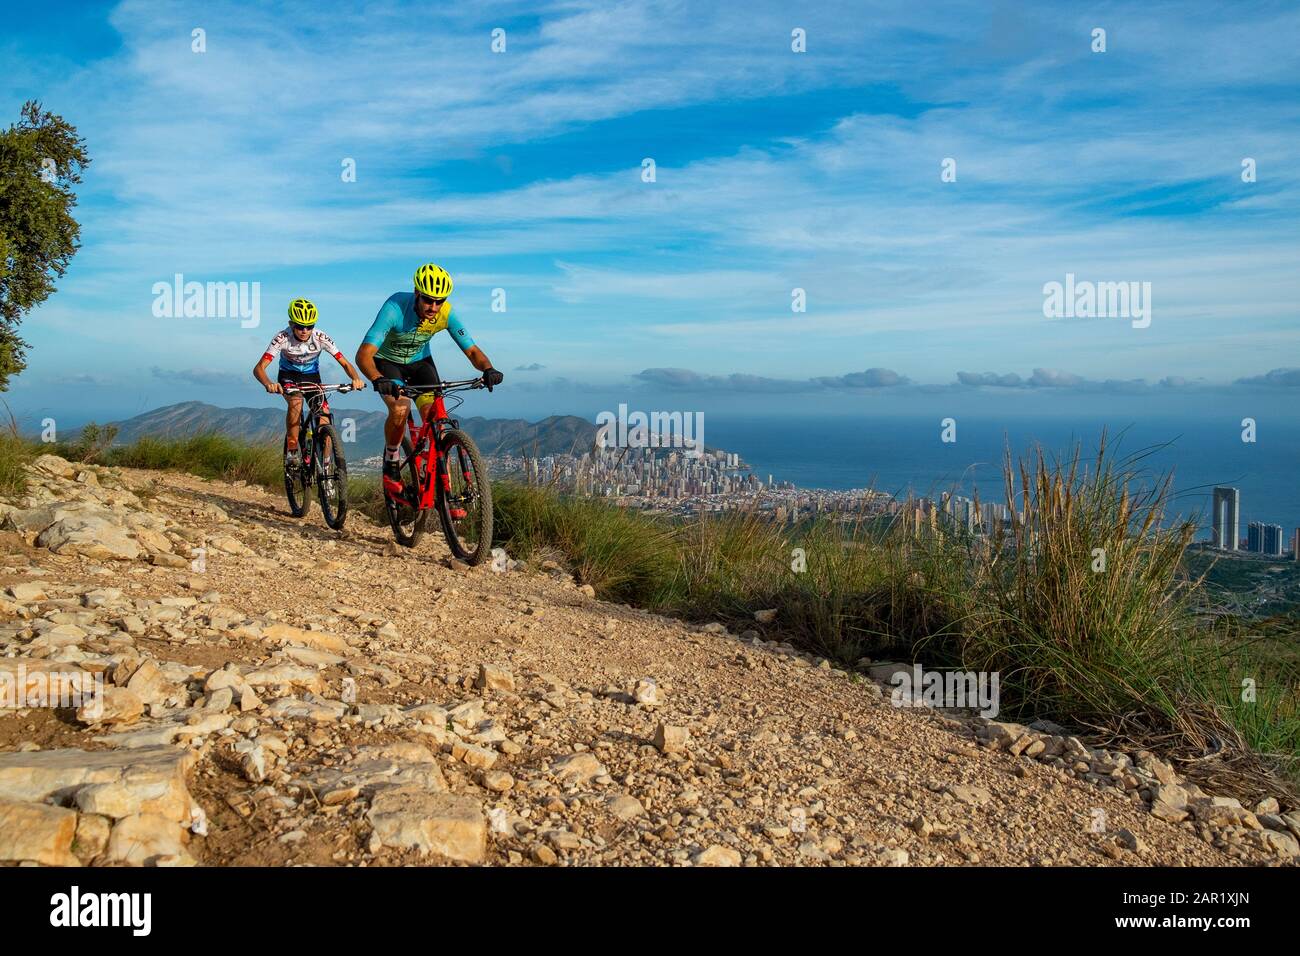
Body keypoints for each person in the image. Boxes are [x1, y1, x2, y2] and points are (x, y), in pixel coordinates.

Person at [355, 263, 503, 484]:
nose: (433, 307)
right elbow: (364, 354)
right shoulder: (394, 308)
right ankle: (392, 456)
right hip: (387, 363)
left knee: (437, 420)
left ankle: (433, 469)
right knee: (400, 409)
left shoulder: (446, 313)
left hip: (420, 363)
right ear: (417, 293)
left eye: (439, 301)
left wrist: (488, 369)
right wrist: (377, 378)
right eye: (428, 300)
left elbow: (472, 350)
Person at [253, 298, 366, 467]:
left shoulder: (321, 337)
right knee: (296, 403)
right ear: (291, 324)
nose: (305, 330)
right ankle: (292, 450)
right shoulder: (282, 338)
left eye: (309, 326)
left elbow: (344, 362)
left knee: (325, 421)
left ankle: (326, 467)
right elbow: (259, 368)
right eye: (299, 326)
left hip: (313, 378)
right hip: (288, 376)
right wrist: (268, 383)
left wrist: (355, 378)